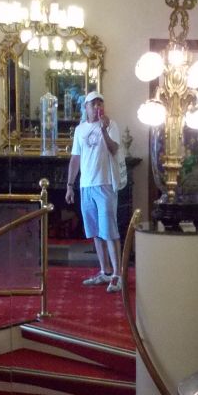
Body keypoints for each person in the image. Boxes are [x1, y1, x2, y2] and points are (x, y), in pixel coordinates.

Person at [66, 90, 122, 293]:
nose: (98, 107)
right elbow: (75, 159)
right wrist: (70, 185)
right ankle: (105, 271)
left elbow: (114, 149)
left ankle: (117, 275)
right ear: (86, 107)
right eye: (94, 104)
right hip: (86, 186)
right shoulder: (80, 130)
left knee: (109, 231)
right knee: (95, 231)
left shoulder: (111, 125)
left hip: (105, 184)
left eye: (100, 103)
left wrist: (104, 129)